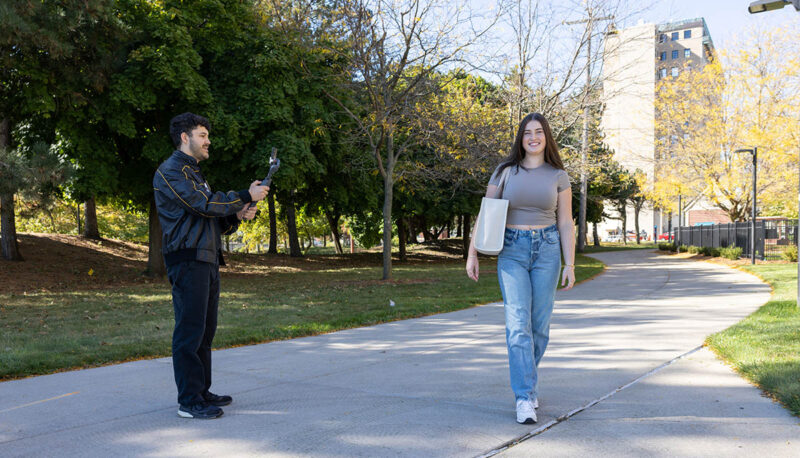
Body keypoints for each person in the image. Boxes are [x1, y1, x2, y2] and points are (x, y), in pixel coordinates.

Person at [153, 112, 269, 419]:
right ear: (184, 137)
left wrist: (236, 215)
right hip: (187, 258)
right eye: (202, 136)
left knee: (205, 330)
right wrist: (244, 195)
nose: (208, 141)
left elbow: (209, 218)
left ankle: (201, 390)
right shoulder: (170, 172)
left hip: (206, 257)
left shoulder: (195, 173)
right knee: (190, 331)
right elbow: (200, 204)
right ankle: (188, 401)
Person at [466, 112, 575, 424]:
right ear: (521, 138)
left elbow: (565, 222)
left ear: (546, 137)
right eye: (527, 132)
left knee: (539, 327)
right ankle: (525, 396)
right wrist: (472, 253)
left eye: (539, 132)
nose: (533, 137)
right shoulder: (504, 172)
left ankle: (528, 381)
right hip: (511, 250)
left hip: (548, 251)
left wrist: (570, 263)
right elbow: (485, 214)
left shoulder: (558, 175)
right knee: (517, 325)